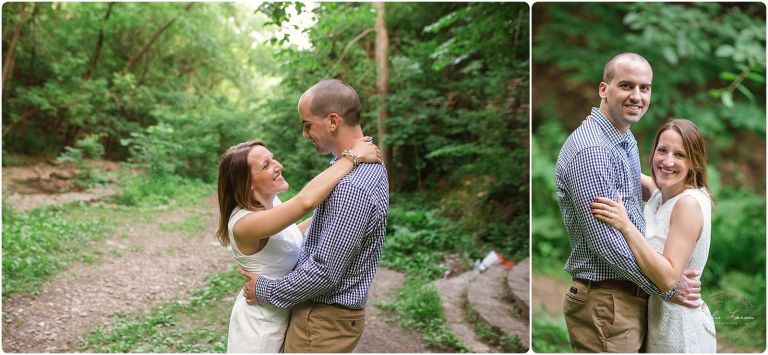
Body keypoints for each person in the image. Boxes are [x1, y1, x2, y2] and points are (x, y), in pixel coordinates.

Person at [555, 52, 701, 352]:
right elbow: (607, 245)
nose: (637, 96)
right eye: (626, 86)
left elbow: (633, 189)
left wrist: (689, 195)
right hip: (606, 303)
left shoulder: (622, 139)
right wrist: (665, 287)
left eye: (644, 88)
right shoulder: (593, 151)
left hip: (623, 300)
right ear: (603, 90)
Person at [239, 79, 390, 352]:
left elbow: (324, 272)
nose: (305, 134)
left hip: (322, 320)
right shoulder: (365, 163)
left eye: (307, 124)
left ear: (333, 121)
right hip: (327, 317)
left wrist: (265, 291)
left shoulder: (351, 185)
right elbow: (325, 223)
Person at [216, 137, 381, 353]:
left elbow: (293, 234)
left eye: (272, 159)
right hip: (261, 327)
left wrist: (344, 214)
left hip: (284, 311)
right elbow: (305, 202)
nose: (278, 166)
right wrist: (353, 157)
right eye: (266, 165)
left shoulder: (270, 203)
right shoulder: (244, 225)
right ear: (247, 183)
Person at [591, 119, 716, 352]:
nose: (668, 161)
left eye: (680, 155)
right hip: (657, 320)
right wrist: (596, 132)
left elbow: (668, 278)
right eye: (662, 150)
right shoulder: (662, 193)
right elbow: (624, 169)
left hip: (679, 329)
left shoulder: (688, 204)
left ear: (694, 161)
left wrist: (625, 225)